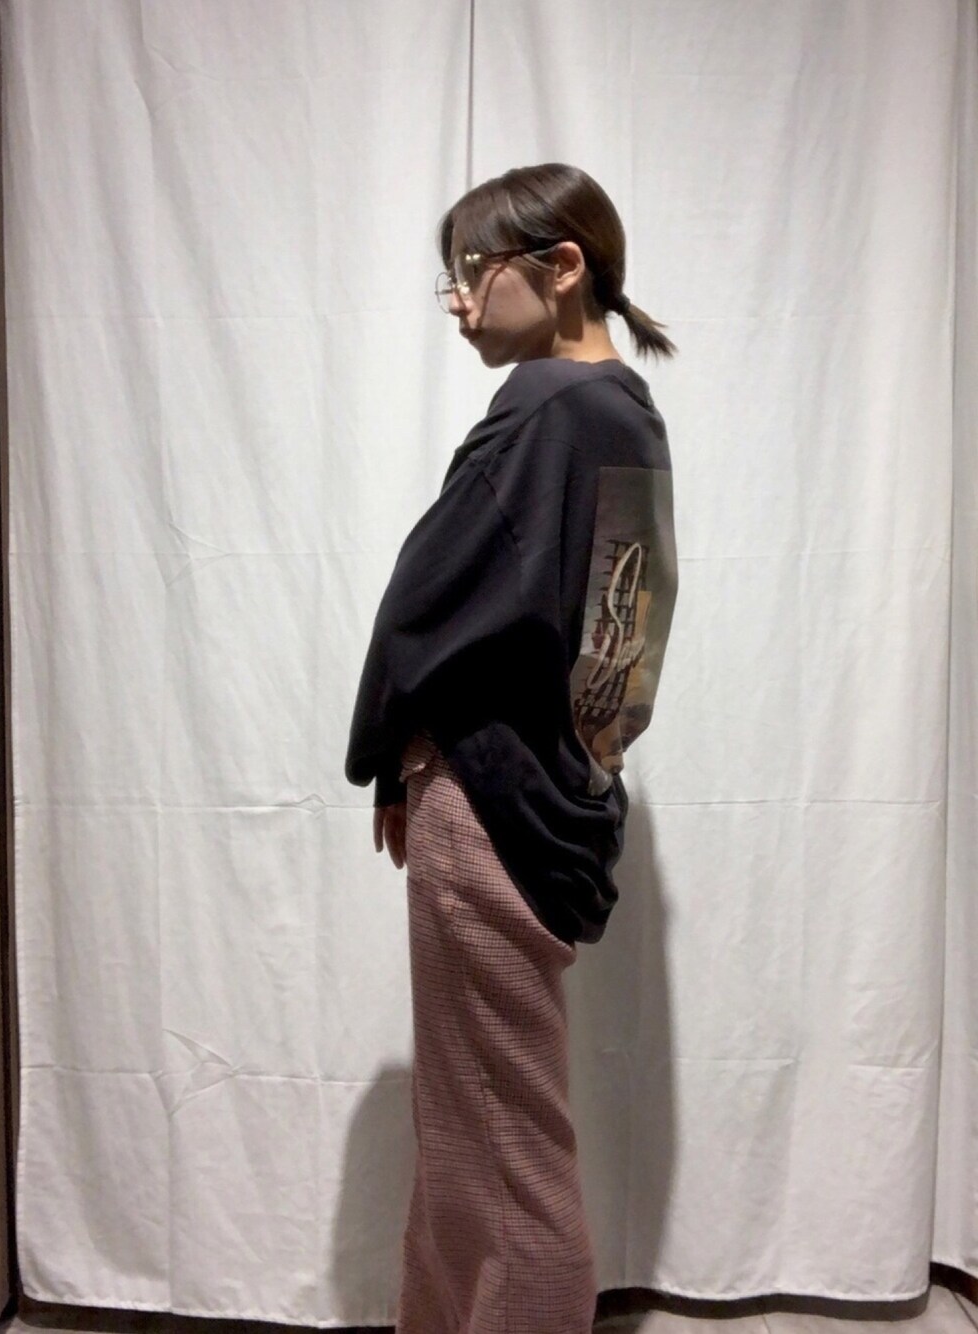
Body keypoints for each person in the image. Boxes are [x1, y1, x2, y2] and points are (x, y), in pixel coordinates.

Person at [345, 162, 678, 1334]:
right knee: (474, 1130)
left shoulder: (544, 406)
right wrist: (581, 775)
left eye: (471, 269)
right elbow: (620, 646)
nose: (456, 297)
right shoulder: (622, 412)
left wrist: (386, 749)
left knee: (501, 1148)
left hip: (484, 798)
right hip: (547, 792)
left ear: (562, 265)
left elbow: (422, 601)